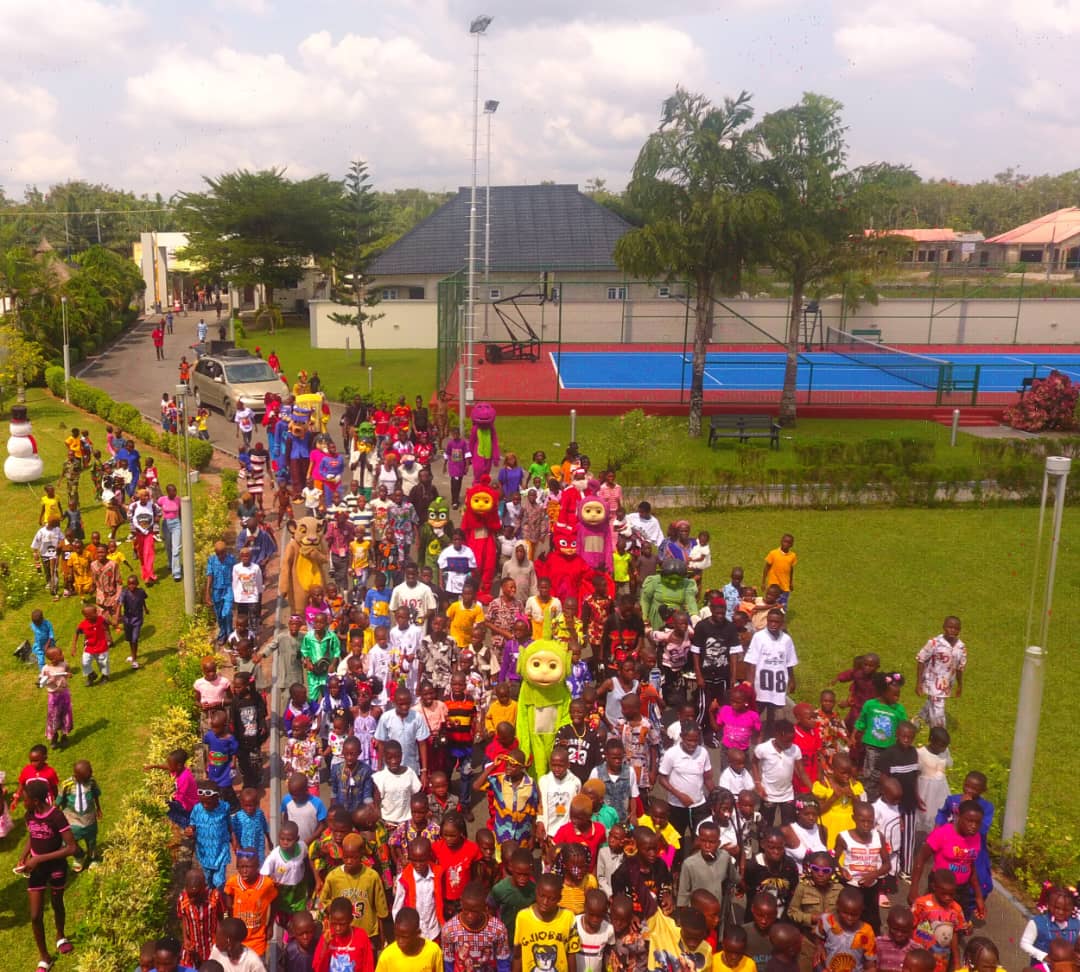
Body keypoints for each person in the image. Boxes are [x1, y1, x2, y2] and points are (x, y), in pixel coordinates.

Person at [19, 778, 78, 970]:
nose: (22, 801)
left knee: (57, 903)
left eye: (25, 798)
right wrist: (24, 855)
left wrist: (39, 859)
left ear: (36, 800)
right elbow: (33, 835)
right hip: (37, 869)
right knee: (35, 915)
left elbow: (71, 847)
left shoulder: (56, 817)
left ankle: (60, 936)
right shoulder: (29, 814)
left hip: (56, 867)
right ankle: (44, 956)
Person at [909, 801, 985, 921]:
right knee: (932, 922)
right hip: (940, 888)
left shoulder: (976, 838)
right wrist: (914, 888)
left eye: (977, 823)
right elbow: (921, 858)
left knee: (957, 924)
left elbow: (971, 866)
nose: (973, 826)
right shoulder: (942, 834)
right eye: (969, 821)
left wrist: (978, 896)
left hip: (961, 889)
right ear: (958, 816)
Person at [854, 672, 907, 802]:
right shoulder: (870, 705)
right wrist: (853, 736)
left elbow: (904, 726)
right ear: (883, 692)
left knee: (885, 774)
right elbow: (861, 722)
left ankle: (882, 796)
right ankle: (867, 798)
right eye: (894, 695)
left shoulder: (898, 709)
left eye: (898, 695)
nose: (897, 698)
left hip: (889, 749)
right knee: (870, 773)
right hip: (872, 746)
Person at [743, 610, 797, 734]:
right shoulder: (759, 637)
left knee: (775, 709)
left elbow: (789, 662)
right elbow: (752, 661)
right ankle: (747, 730)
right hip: (761, 681)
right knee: (757, 708)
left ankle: (770, 733)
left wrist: (792, 680)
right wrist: (749, 682)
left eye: (776, 622)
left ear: (782, 623)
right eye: (770, 621)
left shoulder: (786, 640)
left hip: (778, 682)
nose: (773, 624)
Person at [443, 880, 512, 972]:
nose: (470, 916)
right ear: (461, 903)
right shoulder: (449, 929)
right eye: (466, 910)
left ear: (484, 907)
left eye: (475, 911)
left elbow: (503, 962)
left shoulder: (497, 929)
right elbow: (448, 963)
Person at [224, 848, 278, 960]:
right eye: (240, 867)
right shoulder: (233, 883)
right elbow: (227, 899)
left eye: (248, 867)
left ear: (257, 866)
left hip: (257, 940)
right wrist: (228, 920)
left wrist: (270, 925)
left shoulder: (267, 885)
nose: (244, 871)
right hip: (237, 939)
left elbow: (275, 901)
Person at [914, 617, 966, 730]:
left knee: (931, 704)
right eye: (949, 627)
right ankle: (939, 735)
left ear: (960, 630)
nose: (952, 630)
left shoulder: (961, 647)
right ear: (944, 627)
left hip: (947, 685)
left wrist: (960, 685)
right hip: (932, 682)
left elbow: (960, 668)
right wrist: (919, 683)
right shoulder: (934, 643)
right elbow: (921, 660)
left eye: (956, 628)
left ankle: (916, 722)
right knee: (938, 711)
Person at [814, 885, 877, 972]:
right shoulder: (827, 921)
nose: (849, 918)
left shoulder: (867, 932)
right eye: (845, 913)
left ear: (861, 910)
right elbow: (818, 935)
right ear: (838, 906)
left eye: (854, 914)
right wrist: (819, 946)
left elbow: (870, 964)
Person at [177, 868, 226, 969]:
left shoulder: (215, 897)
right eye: (190, 895)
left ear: (204, 887)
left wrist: (221, 937)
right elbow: (184, 918)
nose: (192, 899)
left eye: (196, 895)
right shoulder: (182, 899)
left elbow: (221, 917)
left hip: (212, 945)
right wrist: (185, 939)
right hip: (192, 946)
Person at [314, 895, 376, 972]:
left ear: (351, 919)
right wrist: (325, 946)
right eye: (334, 923)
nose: (338, 928)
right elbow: (318, 969)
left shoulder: (361, 936)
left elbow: (368, 967)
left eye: (342, 924)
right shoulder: (327, 936)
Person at [376, 907, 442, 972]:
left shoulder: (433, 951)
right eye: (397, 935)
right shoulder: (387, 957)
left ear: (417, 933)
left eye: (404, 937)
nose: (400, 941)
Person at [72, 602, 112, 687]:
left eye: (94, 614)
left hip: (102, 646)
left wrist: (114, 624)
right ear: (85, 616)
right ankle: (91, 675)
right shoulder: (83, 624)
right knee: (85, 662)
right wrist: (74, 646)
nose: (92, 616)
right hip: (89, 647)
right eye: (88, 615)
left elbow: (107, 622)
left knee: (103, 662)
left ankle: (105, 676)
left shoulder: (100, 619)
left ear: (96, 612)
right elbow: (77, 632)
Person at [206, 542, 238, 644]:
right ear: (215, 552)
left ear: (226, 551)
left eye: (222, 553)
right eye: (218, 554)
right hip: (216, 590)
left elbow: (236, 575)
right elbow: (210, 575)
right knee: (219, 614)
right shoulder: (212, 560)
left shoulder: (231, 559)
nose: (220, 556)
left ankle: (230, 633)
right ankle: (222, 633)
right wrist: (207, 592)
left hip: (228, 589)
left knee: (227, 612)